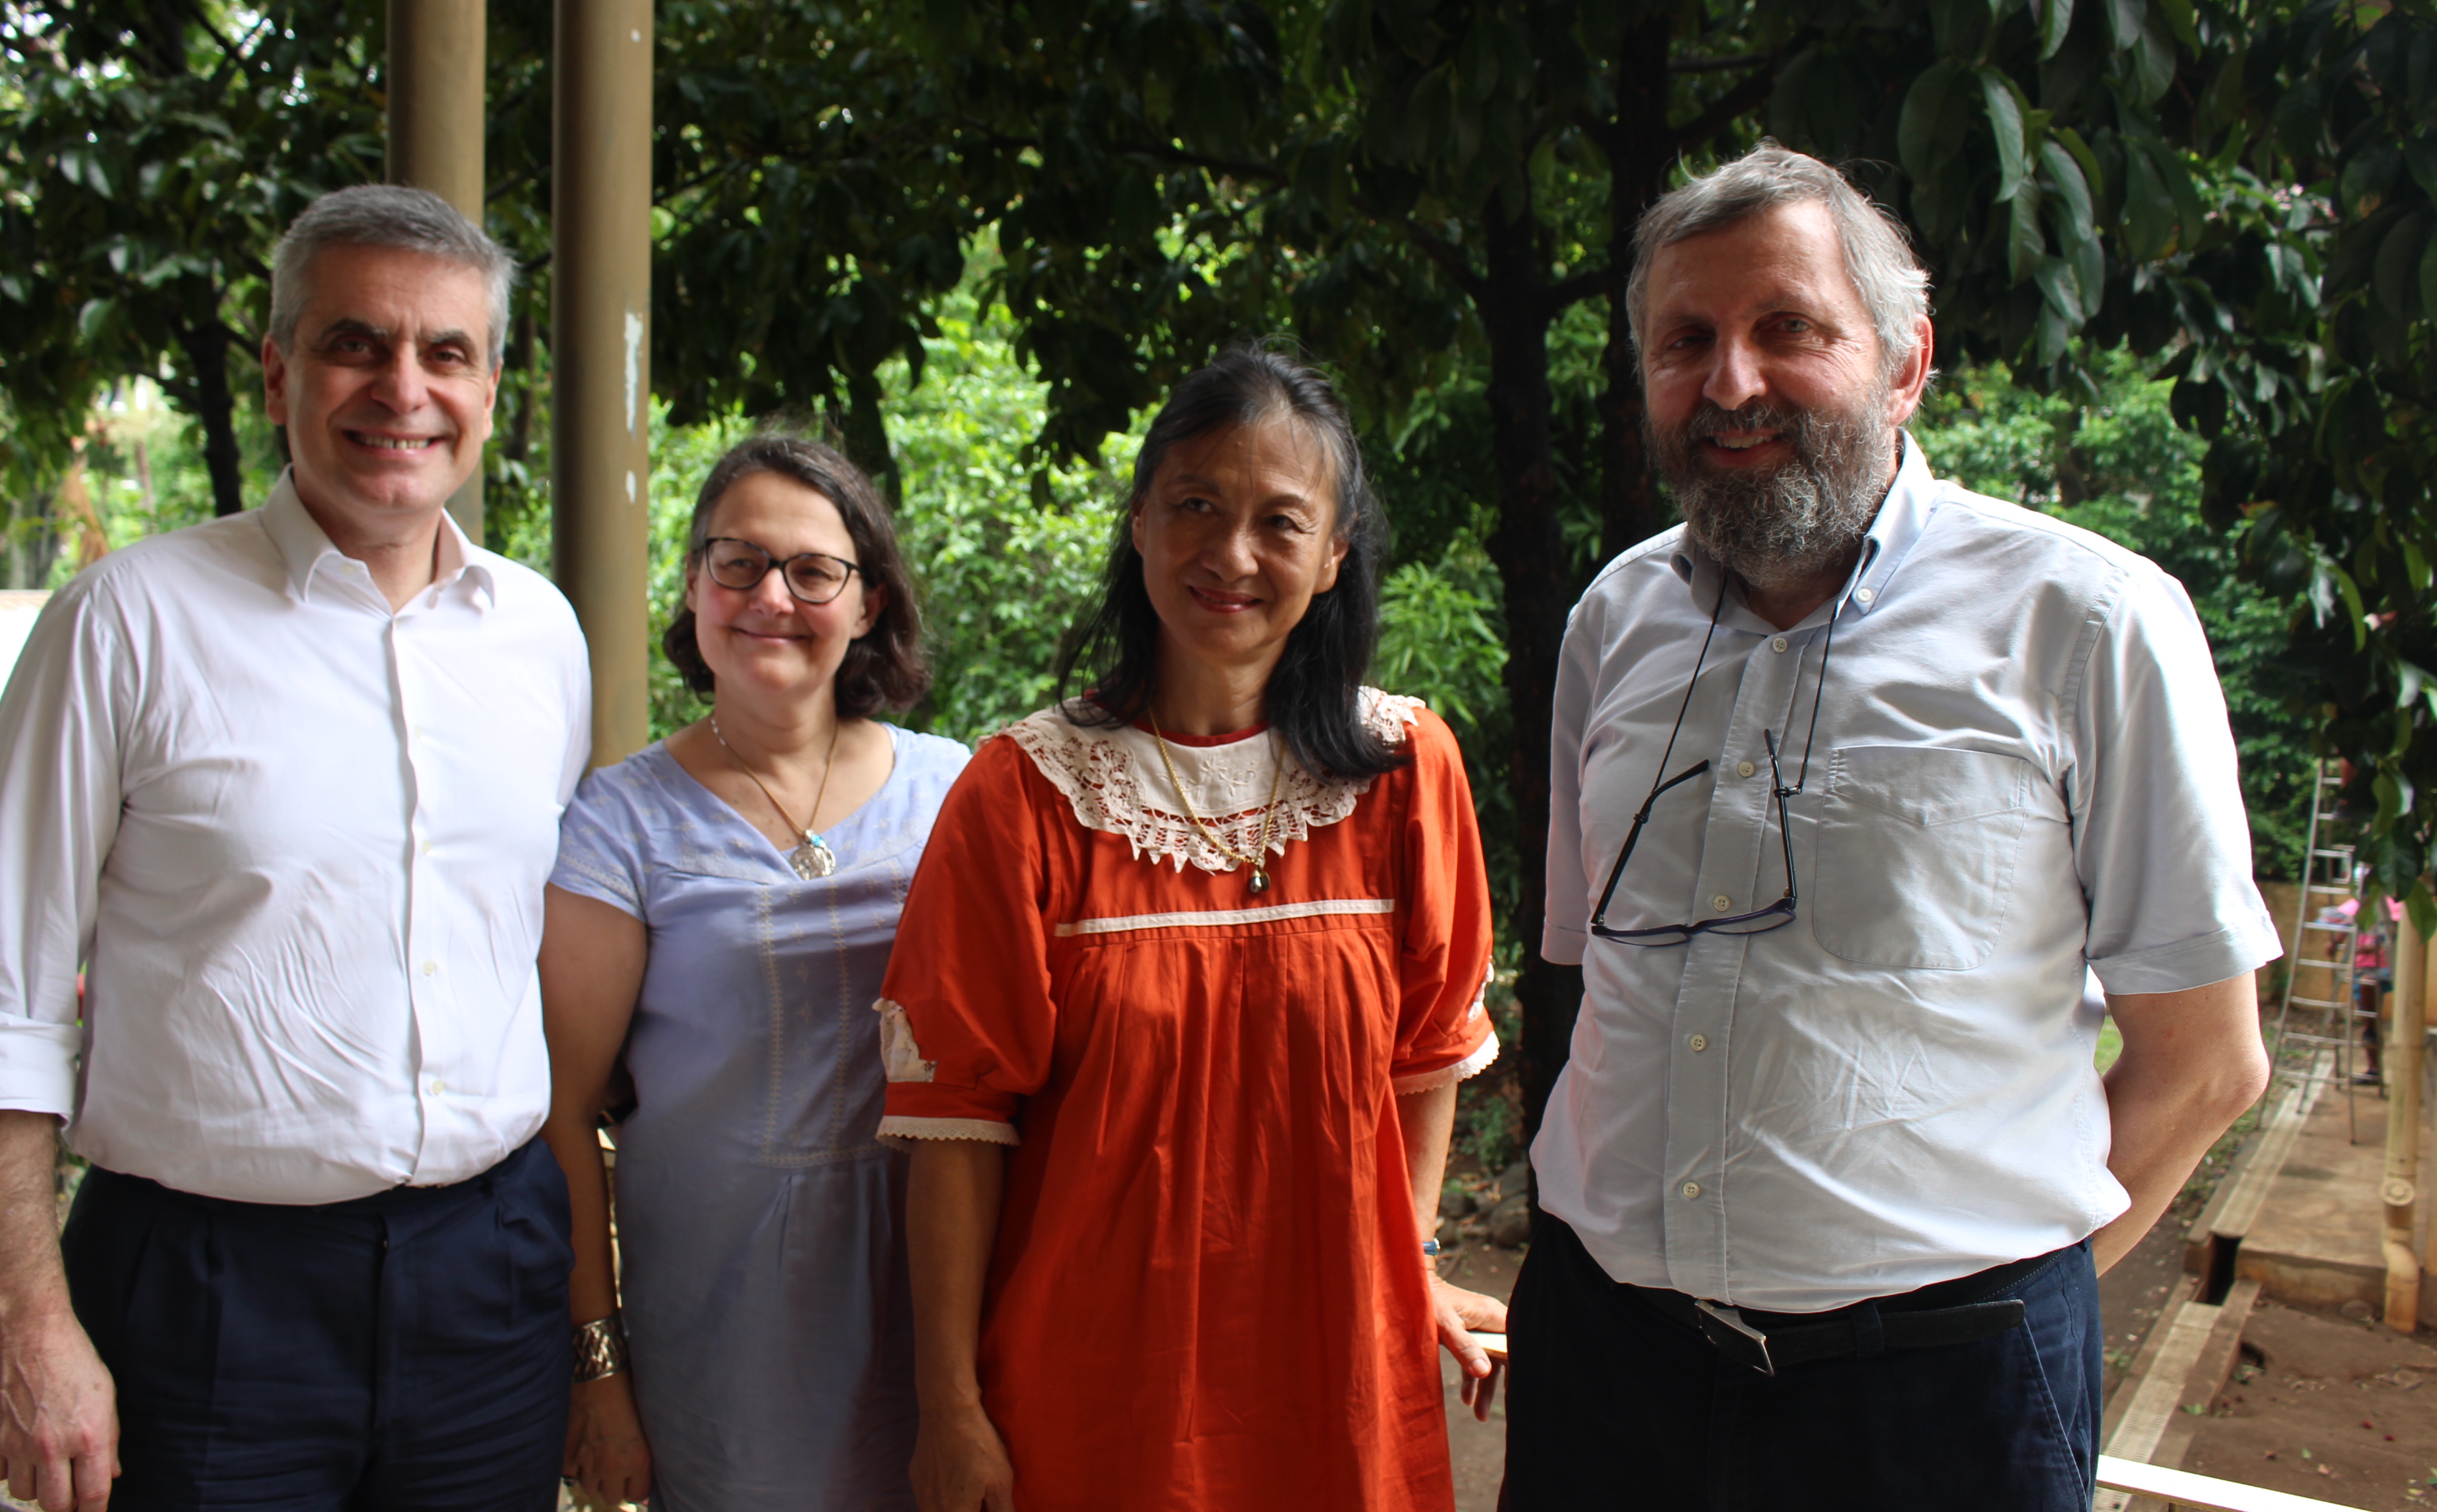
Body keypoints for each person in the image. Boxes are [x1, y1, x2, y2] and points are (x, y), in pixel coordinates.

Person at [1507, 143, 2278, 1511]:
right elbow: (1583, 977)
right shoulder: (1613, 620)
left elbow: (2207, 1061)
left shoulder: (2090, 622)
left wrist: (1978, 1296)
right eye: (1687, 342)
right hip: (1607, 1368)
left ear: (1907, 362)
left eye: (1786, 328)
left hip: (1939, 1408)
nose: (1730, 382)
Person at [0, 184, 591, 1511]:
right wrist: (26, 1319)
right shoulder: (125, 624)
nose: (402, 388)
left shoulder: (539, 637)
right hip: (205, 1300)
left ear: (489, 387)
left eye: (447, 353)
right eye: (357, 343)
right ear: (278, 371)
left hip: (492, 1279)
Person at [877, 347, 1503, 1512]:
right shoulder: (1025, 793)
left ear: (1335, 554)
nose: (1231, 554)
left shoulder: (1408, 772)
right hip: (1094, 1400)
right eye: (1197, 507)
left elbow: (1428, 1057)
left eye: (1280, 521)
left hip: (1339, 1378)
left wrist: (1408, 1263)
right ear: (1140, 522)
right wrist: (950, 1409)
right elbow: (955, 1128)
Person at [539, 434, 968, 1511]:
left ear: (867, 603)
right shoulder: (619, 823)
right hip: (725, 1333)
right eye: (738, 563)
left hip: (935, 1304)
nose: (772, 596)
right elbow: (559, 1111)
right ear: (693, 590)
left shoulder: (957, 794)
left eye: (814, 570)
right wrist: (599, 1371)